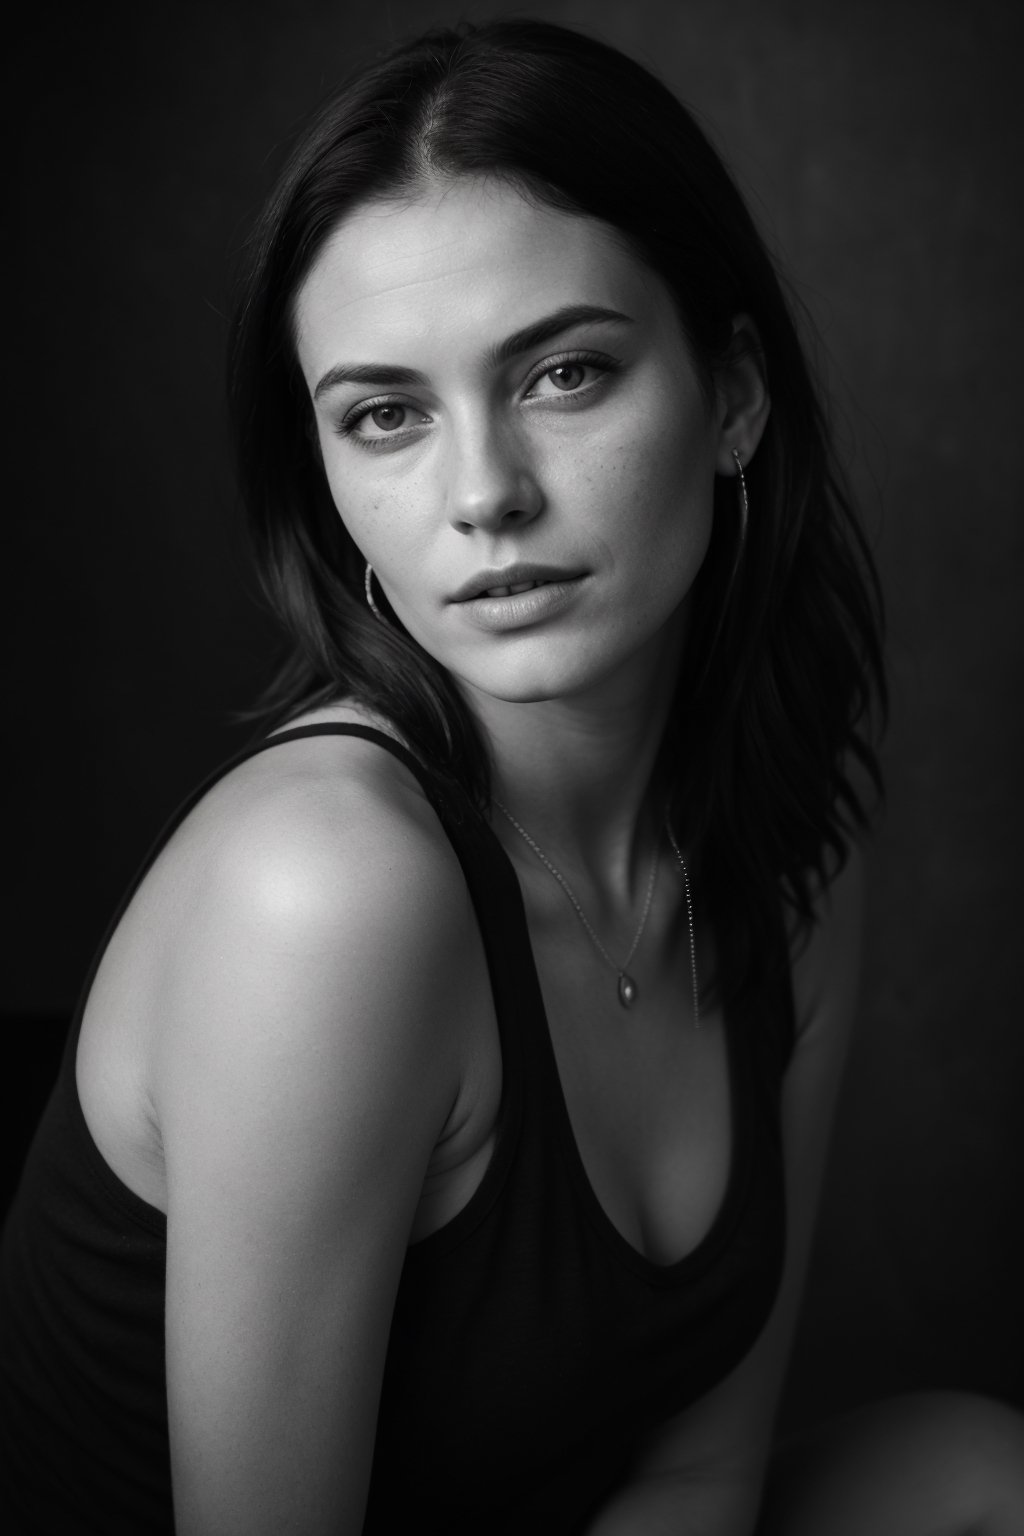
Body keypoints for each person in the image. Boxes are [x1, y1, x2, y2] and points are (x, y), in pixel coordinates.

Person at [2, 17, 1022, 1535]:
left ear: (732, 396)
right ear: (331, 480)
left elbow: (693, 1476)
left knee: (979, 1473)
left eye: (563, 373)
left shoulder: (788, 850)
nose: (484, 493)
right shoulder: (328, 890)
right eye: (386, 414)